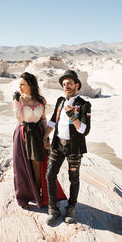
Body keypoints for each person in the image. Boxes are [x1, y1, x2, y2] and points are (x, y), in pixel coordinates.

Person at [43, 70, 91, 225]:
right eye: (64, 84)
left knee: (73, 179)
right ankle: (53, 209)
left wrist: (72, 116)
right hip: (58, 145)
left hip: (74, 148)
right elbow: (53, 121)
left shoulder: (84, 105)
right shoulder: (60, 101)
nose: (66, 86)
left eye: (69, 83)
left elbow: (84, 130)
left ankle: (71, 208)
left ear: (77, 85)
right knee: (50, 175)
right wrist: (45, 136)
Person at [12, 72, 66, 209]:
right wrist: (16, 102)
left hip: (38, 133)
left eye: (22, 84)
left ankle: (38, 195)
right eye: (19, 84)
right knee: (24, 165)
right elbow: (19, 119)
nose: (20, 87)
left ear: (30, 85)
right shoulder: (19, 100)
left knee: (38, 164)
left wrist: (46, 138)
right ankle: (28, 194)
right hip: (24, 133)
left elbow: (43, 120)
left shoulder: (41, 100)